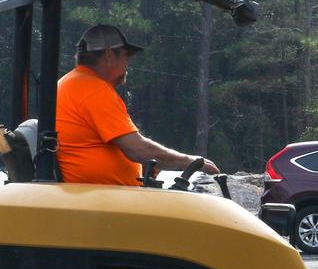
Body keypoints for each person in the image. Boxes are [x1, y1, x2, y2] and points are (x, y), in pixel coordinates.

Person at [56, 24, 219, 185]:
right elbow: (137, 149)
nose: (128, 64)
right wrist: (191, 162)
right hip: (102, 201)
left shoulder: (74, 83)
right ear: (109, 55)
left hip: (99, 195)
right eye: (127, 55)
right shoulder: (92, 90)